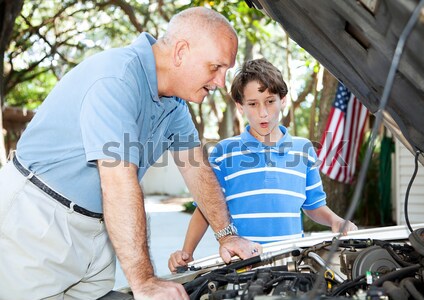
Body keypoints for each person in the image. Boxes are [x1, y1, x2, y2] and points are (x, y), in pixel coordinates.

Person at [0, 7, 262, 300]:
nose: (220, 82)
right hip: (37, 221)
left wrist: (227, 235)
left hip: (97, 232)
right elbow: (118, 181)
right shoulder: (117, 79)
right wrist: (145, 280)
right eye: (216, 67)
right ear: (181, 52)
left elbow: (195, 167)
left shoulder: (174, 104)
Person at [168, 58, 358, 273]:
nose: (263, 113)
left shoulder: (303, 150)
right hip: (241, 266)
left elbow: (313, 206)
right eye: (253, 104)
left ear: (283, 100)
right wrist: (187, 253)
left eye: (270, 101)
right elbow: (205, 208)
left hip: (292, 265)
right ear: (240, 106)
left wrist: (335, 221)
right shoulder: (223, 152)